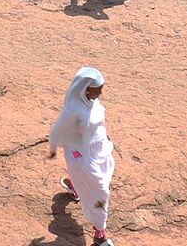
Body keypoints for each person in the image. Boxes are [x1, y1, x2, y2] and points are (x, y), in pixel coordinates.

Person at [48, 67, 117, 246]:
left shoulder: (91, 102)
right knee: (101, 192)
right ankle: (99, 234)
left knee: (106, 174)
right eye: (98, 89)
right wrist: (53, 146)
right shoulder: (73, 110)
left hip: (99, 151)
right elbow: (58, 128)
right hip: (83, 160)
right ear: (86, 88)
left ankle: (78, 187)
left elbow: (96, 124)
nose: (101, 92)